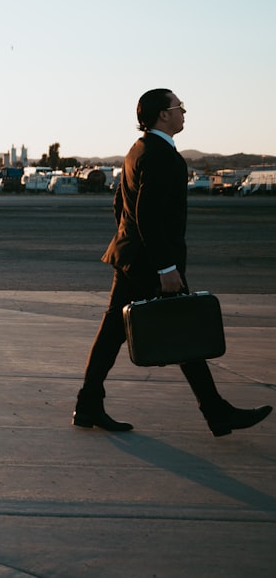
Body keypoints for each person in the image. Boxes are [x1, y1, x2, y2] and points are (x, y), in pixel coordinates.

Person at [74, 88, 271, 437]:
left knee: (118, 333)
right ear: (163, 115)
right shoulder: (163, 156)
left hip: (132, 257)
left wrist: (129, 241)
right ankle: (216, 412)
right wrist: (165, 268)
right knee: (183, 330)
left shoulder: (138, 150)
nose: (184, 112)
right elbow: (147, 214)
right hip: (151, 263)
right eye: (179, 107)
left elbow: (120, 205)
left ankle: (90, 404)